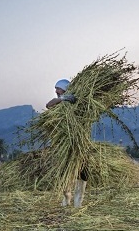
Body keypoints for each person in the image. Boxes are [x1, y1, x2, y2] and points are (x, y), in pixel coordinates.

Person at [46, 79, 87, 208]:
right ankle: (67, 196)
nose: (56, 91)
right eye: (56, 88)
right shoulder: (60, 102)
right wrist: (64, 98)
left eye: (58, 88)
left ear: (65, 89)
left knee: (82, 171)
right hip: (62, 144)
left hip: (78, 142)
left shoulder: (77, 102)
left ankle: (78, 201)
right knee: (64, 171)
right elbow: (48, 105)